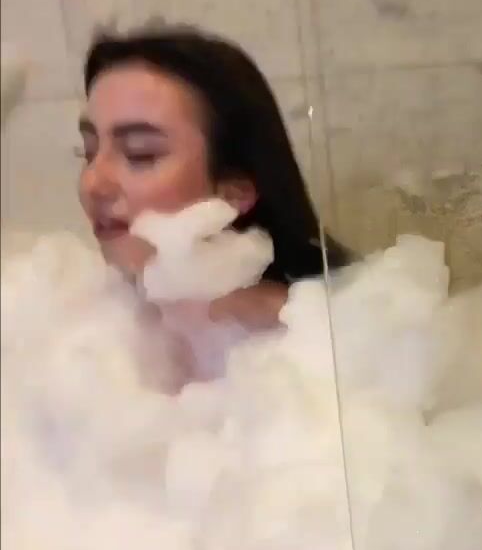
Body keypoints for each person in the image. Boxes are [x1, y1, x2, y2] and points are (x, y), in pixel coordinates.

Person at [77, 22, 348, 334]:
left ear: (234, 193)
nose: (91, 184)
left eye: (140, 154)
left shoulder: (308, 336)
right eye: (88, 152)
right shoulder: (96, 325)